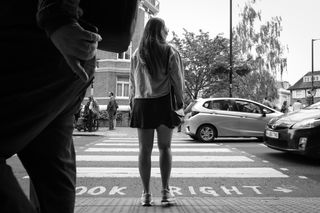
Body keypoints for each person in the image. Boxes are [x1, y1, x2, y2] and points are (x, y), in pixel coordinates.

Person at [0, 1, 109, 213]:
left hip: (31, 46)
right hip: (69, 63)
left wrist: (58, 16)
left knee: (53, 175)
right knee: (53, 177)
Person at [129, 17, 184, 206]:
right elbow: (177, 79)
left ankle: (145, 194)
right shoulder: (170, 50)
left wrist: (132, 103)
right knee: (165, 148)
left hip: (142, 103)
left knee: (144, 150)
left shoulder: (137, 53)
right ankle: (166, 192)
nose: (167, 32)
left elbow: (132, 81)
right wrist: (180, 102)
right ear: (160, 30)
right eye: (165, 29)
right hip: (163, 103)